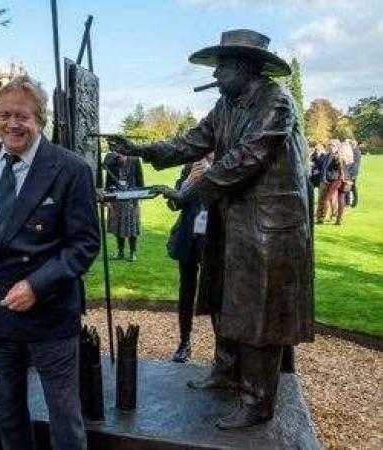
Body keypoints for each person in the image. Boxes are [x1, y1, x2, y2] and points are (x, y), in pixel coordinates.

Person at [108, 29, 314, 429]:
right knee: (223, 294)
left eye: (221, 67)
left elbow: (244, 157)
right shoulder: (226, 104)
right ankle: (227, 369)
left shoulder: (278, 103)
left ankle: (258, 400)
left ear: (241, 67)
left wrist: (190, 192)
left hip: (271, 226)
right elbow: (192, 142)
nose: (215, 75)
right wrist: (140, 149)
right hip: (234, 217)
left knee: (257, 308)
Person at [0, 75, 100, 450]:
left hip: (49, 311)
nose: (12, 124)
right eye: (4, 115)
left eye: (22, 117)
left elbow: (85, 244)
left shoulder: (71, 169)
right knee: (7, 409)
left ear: (40, 120)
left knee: (63, 413)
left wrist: (37, 285)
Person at [166, 160, 209, 363]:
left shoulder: (226, 160)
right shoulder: (191, 166)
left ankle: (224, 351)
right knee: (186, 292)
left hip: (215, 239)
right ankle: (184, 343)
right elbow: (174, 204)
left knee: (219, 292)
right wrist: (189, 181)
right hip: (190, 238)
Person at [104, 151, 144, 261]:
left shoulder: (135, 160)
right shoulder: (112, 163)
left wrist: (140, 196)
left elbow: (140, 179)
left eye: (122, 156)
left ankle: (132, 252)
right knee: (119, 226)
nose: (120, 159)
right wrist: (108, 200)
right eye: (118, 157)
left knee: (132, 226)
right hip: (117, 198)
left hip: (132, 198)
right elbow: (108, 182)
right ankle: (120, 251)